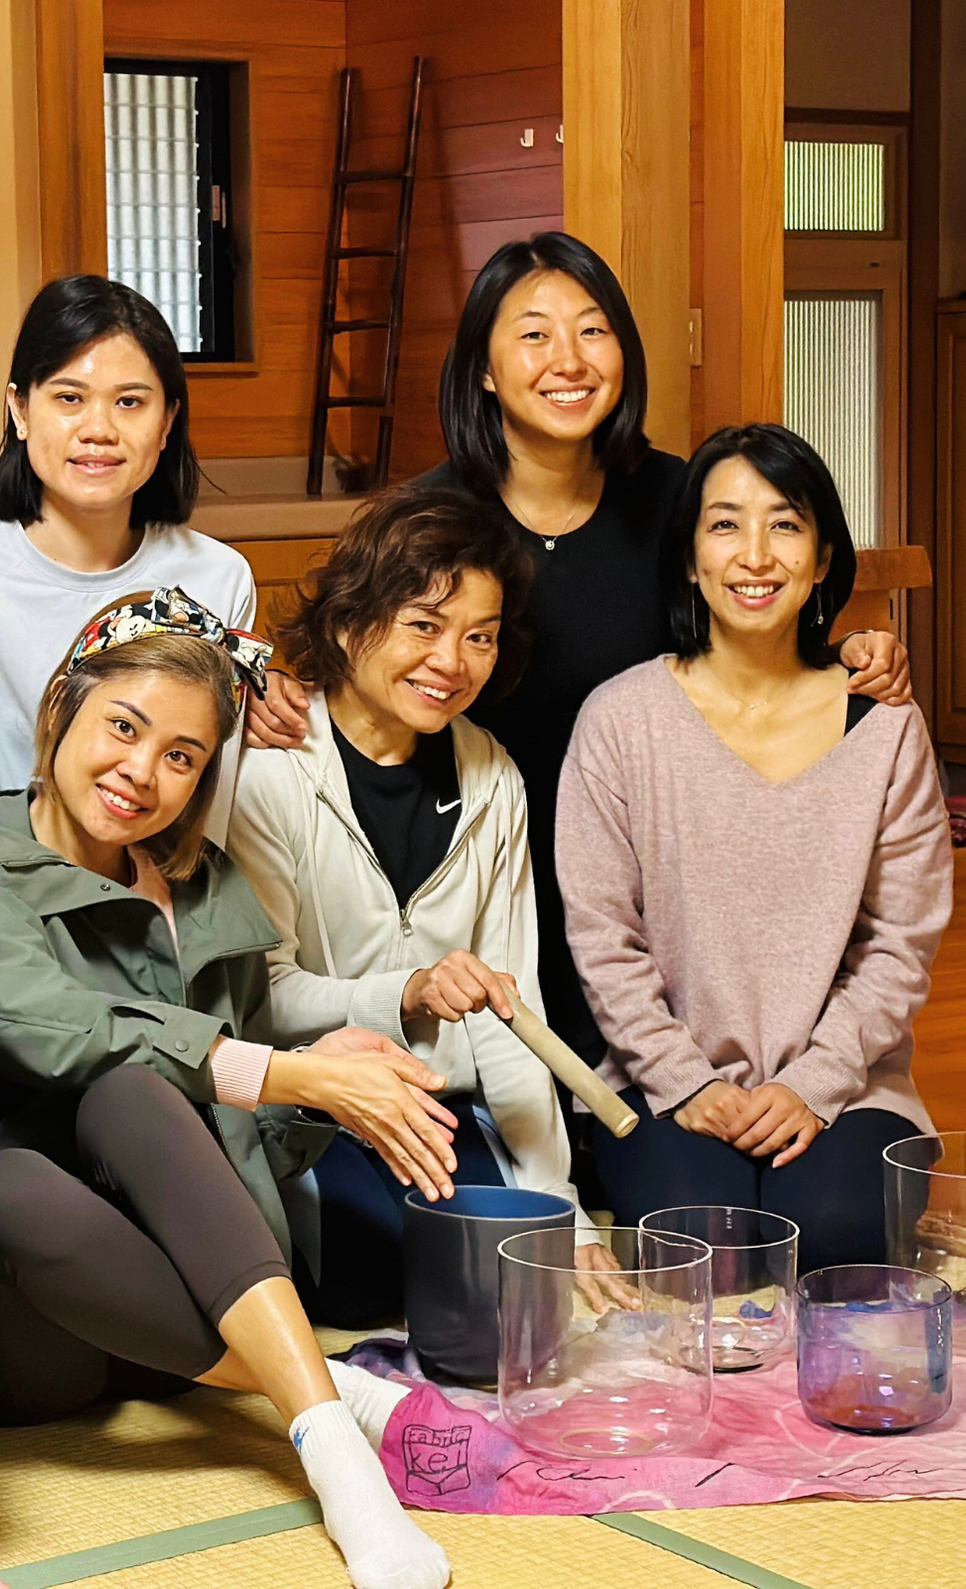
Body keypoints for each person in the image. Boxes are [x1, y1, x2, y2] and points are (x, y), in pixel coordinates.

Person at [0, 591, 453, 1589]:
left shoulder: (205, 884)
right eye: (122, 727)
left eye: (183, 756)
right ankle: (325, 1406)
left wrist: (325, 1077)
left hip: (192, 1307)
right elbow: (60, 1029)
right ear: (61, 707)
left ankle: (329, 1452)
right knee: (65, 1132)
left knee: (141, 1099)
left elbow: (238, 1127)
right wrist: (289, 1070)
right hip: (33, 1332)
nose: (140, 774)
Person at [272, 233, 909, 1079]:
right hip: (476, 877)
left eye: (593, 330)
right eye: (533, 334)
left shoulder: (680, 499)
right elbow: (345, 665)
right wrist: (268, 688)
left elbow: (754, 629)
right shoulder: (430, 521)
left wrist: (851, 653)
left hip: (658, 893)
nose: (567, 359)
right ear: (485, 368)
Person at [556, 425, 952, 1273]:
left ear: (821, 558)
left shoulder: (884, 723)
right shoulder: (621, 720)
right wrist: (684, 1078)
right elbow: (600, 933)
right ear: (691, 557)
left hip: (850, 1086)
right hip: (665, 1080)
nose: (755, 554)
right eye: (725, 524)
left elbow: (900, 943)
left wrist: (812, 1083)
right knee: (709, 1248)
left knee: (837, 1238)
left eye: (785, 524)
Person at [228, 483, 599, 1326]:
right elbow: (260, 1000)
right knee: (370, 1281)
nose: (451, 661)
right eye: (424, 625)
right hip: (313, 1099)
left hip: (441, 1101)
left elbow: (516, 1010)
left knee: (504, 1275)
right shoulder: (272, 773)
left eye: (480, 637)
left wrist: (563, 1212)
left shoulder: (493, 777)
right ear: (352, 621)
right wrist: (406, 989)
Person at [0, 276, 255, 802]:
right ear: (20, 410)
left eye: (130, 402)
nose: (98, 429)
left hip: (153, 877)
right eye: (68, 397)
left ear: (168, 419)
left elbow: (209, 796)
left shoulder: (218, 577)